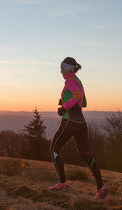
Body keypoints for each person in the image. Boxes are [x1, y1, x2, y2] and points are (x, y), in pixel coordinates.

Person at [49, 57, 108, 200]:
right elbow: (84, 102)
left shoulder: (69, 81)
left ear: (67, 69)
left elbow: (78, 96)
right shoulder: (78, 81)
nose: (60, 71)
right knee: (86, 155)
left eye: (62, 68)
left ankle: (63, 182)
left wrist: (64, 106)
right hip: (81, 122)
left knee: (54, 149)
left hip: (70, 121)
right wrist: (67, 100)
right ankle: (101, 188)